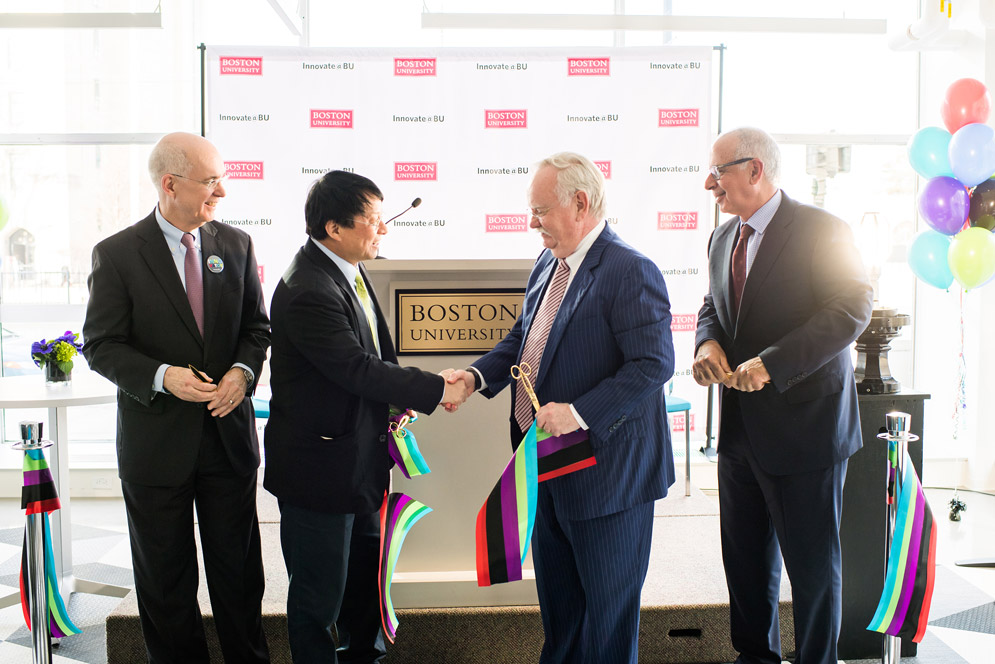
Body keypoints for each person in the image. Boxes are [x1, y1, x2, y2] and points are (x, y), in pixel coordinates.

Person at [447, 152, 675, 664]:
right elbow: (524, 339)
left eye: (540, 210)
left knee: (608, 623)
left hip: (608, 478)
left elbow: (654, 364)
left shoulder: (630, 270)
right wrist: (476, 376)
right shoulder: (550, 259)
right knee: (562, 615)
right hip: (544, 468)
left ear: (580, 202)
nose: (532, 223)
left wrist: (579, 412)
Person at [262, 170, 468, 664]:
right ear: (335, 227)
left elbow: (377, 357)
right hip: (321, 471)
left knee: (361, 592)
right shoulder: (309, 287)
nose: (384, 230)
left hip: (358, 464)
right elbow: (357, 368)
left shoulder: (347, 269)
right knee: (318, 600)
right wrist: (437, 388)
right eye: (374, 221)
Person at [82, 132, 271, 663]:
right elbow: (100, 345)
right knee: (166, 587)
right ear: (170, 184)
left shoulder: (235, 245)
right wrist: (164, 376)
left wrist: (241, 371)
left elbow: (256, 329)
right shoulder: (117, 254)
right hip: (156, 446)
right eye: (211, 181)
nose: (223, 192)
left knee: (239, 578)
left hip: (227, 439)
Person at [692, 127, 873, 664]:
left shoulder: (825, 230)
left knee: (813, 575)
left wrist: (772, 365)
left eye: (719, 171)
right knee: (745, 571)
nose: (710, 184)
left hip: (807, 433)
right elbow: (712, 305)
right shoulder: (722, 238)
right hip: (740, 435)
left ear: (755, 170)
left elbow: (851, 307)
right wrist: (707, 342)